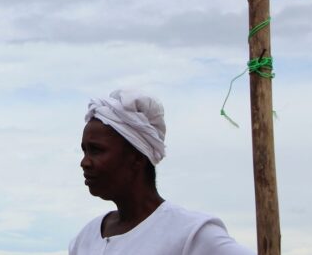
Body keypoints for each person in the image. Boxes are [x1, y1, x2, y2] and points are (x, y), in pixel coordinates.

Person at [71, 89, 253, 254]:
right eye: (84, 150)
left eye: (96, 150)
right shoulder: (86, 239)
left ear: (136, 158)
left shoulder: (191, 234)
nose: (84, 162)